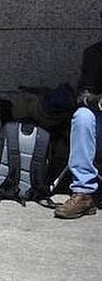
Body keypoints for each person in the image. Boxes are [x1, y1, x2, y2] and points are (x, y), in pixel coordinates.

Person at [53, 32, 102, 219]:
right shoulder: (94, 54)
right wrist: (97, 101)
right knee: (82, 116)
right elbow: (82, 96)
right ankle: (83, 193)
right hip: (99, 126)